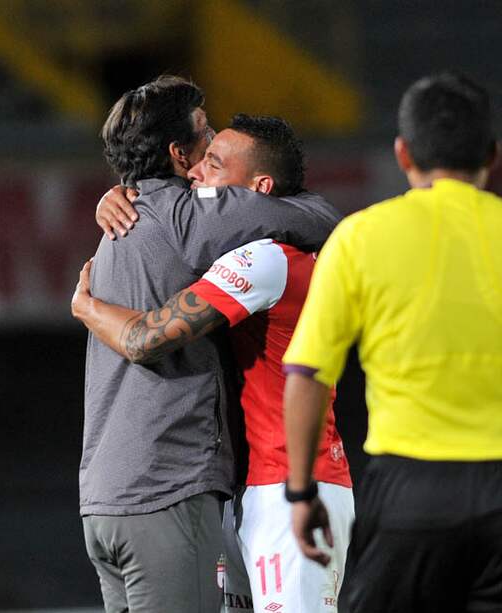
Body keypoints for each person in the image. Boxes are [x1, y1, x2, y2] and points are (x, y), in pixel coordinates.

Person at [79, 76, 340, 612]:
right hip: (166, 490)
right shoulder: (197, 219)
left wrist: (86, 305)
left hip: (102, 498)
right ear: (179, 154)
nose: (212, 142)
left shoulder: (115, 230)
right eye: (205, 134)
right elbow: (321, 218)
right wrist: (87, 309)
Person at [282, 72, 502, 612]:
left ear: (403, 153)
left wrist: (301, 492)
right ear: (492, 155)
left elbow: (308, 375)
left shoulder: (360, 237)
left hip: (409, 492)